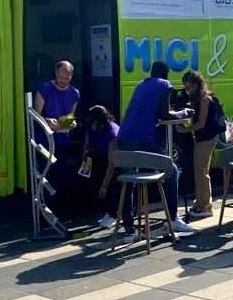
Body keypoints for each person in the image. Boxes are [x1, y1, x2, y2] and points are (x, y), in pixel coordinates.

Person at [117, 61, 197, 239]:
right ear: (166, 74)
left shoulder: (141, 84)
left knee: (128, 183)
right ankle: (173, 218)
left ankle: (130, 229)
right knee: (172, 170)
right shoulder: (165, 85)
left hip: (123, 139)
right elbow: (165, 114)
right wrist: (184, 113)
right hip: (142, 140)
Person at [179, 70, 223, 219]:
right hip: (205, 138)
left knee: (201, 172)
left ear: (197, 85)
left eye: (189, 86)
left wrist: (185, 130)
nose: (188, 90)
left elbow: (201, 123)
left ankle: (205, 206)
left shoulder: (204, 99)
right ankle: (200, 202)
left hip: (206, 138)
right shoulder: (201, 98)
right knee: (200, 171)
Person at [83, 105, 121, 229]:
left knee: (112, 185)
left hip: (116, 162)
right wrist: (86, 157)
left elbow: (112, 164)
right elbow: (87, 144)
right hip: (100, 156)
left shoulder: (112, 133)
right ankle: (108, 212)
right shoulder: (92, 126)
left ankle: (114, 214)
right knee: (97, 181)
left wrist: (104, 186)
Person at [33, 60, 81, 151]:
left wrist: (71, 123)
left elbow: (71, 116)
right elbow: (35, 116)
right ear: (56, 73)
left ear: (71, 76)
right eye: (61, 77)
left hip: (63, 140)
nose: (63, 81)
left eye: (67, 78)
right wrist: (47, 121)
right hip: (44, 138)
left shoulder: (74, 93)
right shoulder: (44, 89)